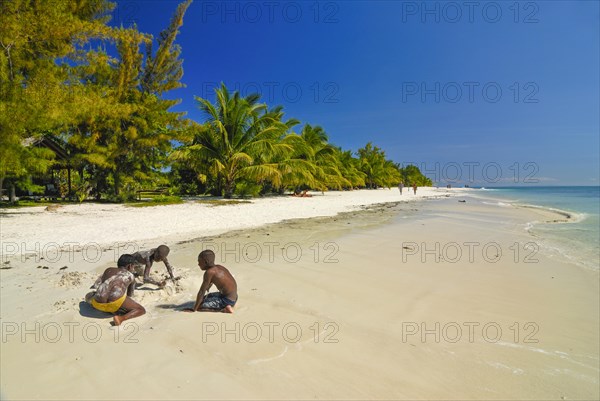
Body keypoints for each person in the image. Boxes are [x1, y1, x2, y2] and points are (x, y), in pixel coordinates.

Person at [85, 254, 145, 326]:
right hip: (114, 305)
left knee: (89, 295)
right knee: (141, 310)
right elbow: (130, 295)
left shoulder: (108, 270)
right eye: (133, 267)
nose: (133, 269)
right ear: (129, 266)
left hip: (97, 303)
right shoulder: (131, 276)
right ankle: (121, 318)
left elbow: (99, 284)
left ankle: (110, 309)